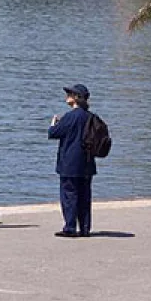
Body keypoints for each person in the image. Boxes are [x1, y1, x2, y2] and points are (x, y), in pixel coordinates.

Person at [48, 84, 97, 238]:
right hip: (87, 163)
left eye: (69, 93)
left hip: (70, 163)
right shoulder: (90, 117)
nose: (66, 95)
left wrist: (54, 122)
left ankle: (69, 228)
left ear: (76, 98)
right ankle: (84, 228)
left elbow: (53, 133)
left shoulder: (70, 116)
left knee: (69, 195)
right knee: (84, 196)